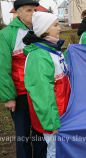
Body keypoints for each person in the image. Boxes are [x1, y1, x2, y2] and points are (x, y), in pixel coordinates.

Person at [0, 0, 47, 158]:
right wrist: (8, 97)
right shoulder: (5, 35)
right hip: (20, 93)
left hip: (39, 93)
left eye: (34, 10)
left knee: (40, 133)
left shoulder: (40, 32)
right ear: (18, 12)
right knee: (23, 136)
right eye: (28, 10)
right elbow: (1, 68)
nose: (33, 14)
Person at [23, 12, 71, 158]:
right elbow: (42, 94)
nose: (59, 29)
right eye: (56, 25)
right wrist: (51, 123)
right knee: (55, 152)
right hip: (53, 118)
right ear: (44, 30)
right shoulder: (39, 56)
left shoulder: (53, 49)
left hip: (61, 113)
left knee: (61, 150)